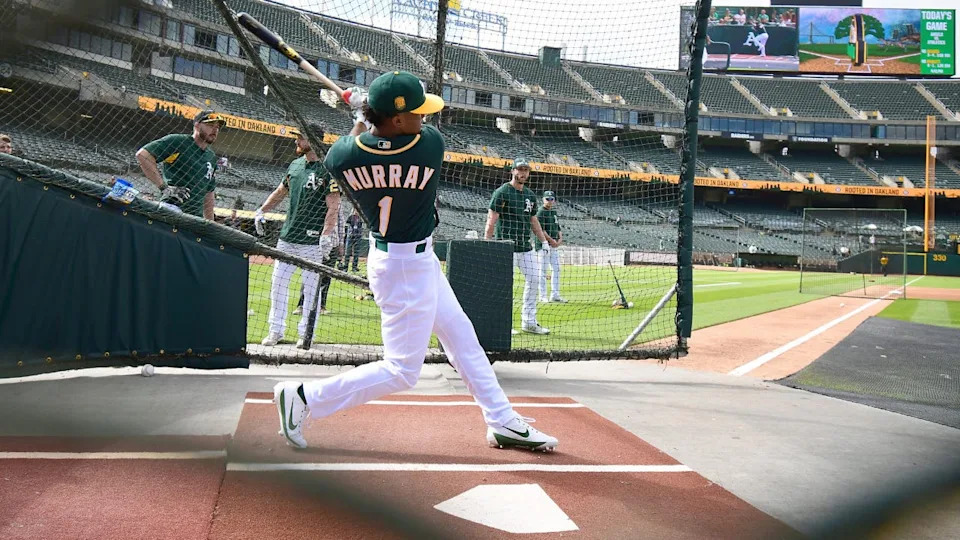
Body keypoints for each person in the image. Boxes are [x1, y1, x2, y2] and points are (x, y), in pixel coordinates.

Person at [271, 70, 557, 452]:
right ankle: (305, 396)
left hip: (399, 260)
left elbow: (351, 145)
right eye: (416, 113)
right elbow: (395, 135)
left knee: (462, 337)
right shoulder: (429, 147)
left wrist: (362, 117)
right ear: (397, 119)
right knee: (402, 371)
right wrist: (364, 110)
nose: (425, 118)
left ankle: (502, 419)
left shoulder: (342, 157)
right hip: (406, 268)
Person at [254, 124, 341, 347]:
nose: (296, 142)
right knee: (277, 284)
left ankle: (305, 333)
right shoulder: (294, 165)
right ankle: (276, 330)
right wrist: (263, 210)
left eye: (300, 138)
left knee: (312, 290)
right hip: (287, 237)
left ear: (312, 140)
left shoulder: (328, 168)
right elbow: (280, 192)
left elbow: (334, 206)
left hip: (312, 241)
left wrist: (326, 235)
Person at [485, 158, 558, 335]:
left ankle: (529, 322)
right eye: (520, 169)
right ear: (513, 171)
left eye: (526, 170)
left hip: (525, 246)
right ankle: (502, 324)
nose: (523, 173)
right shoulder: (502, 192)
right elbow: (492, 219)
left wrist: (543, 241)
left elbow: (534, 220)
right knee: (503, 286)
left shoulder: (530, 195)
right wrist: (486, 243)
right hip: (505, 246)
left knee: (534, 280)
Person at [136, 109, 224, 219]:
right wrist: (163, 187)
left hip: (195, 218)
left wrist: (210, 223)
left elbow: (209, 192)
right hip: (171, 211)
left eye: (217, 127)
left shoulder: (211, 156)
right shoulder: (179, 141)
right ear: (197, 125)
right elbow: (143, 155)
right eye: (211, 125)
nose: (215, 130)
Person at [536, 191, 566, 304]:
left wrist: (559, 239)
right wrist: (552, 241)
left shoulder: (553, 211)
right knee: (542, 270)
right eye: (547, 199)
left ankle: (555, 294)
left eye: (551, 199)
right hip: (543, 245)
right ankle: (542, 295)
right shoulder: (541, 212)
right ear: (543, 199)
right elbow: (541, 230)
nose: (549, 201)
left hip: (553, 245)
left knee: (556, 269)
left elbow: (558, 227)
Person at [341, 207, 364, 272]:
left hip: (358, 236)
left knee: (356, 253)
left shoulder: (360, 218)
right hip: (350, 236)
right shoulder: (351, 217)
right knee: (347, 252)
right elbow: (347, 222)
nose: (356, 212)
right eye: (355, 210)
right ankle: (345, 267)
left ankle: (354, 267)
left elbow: (362, 225)